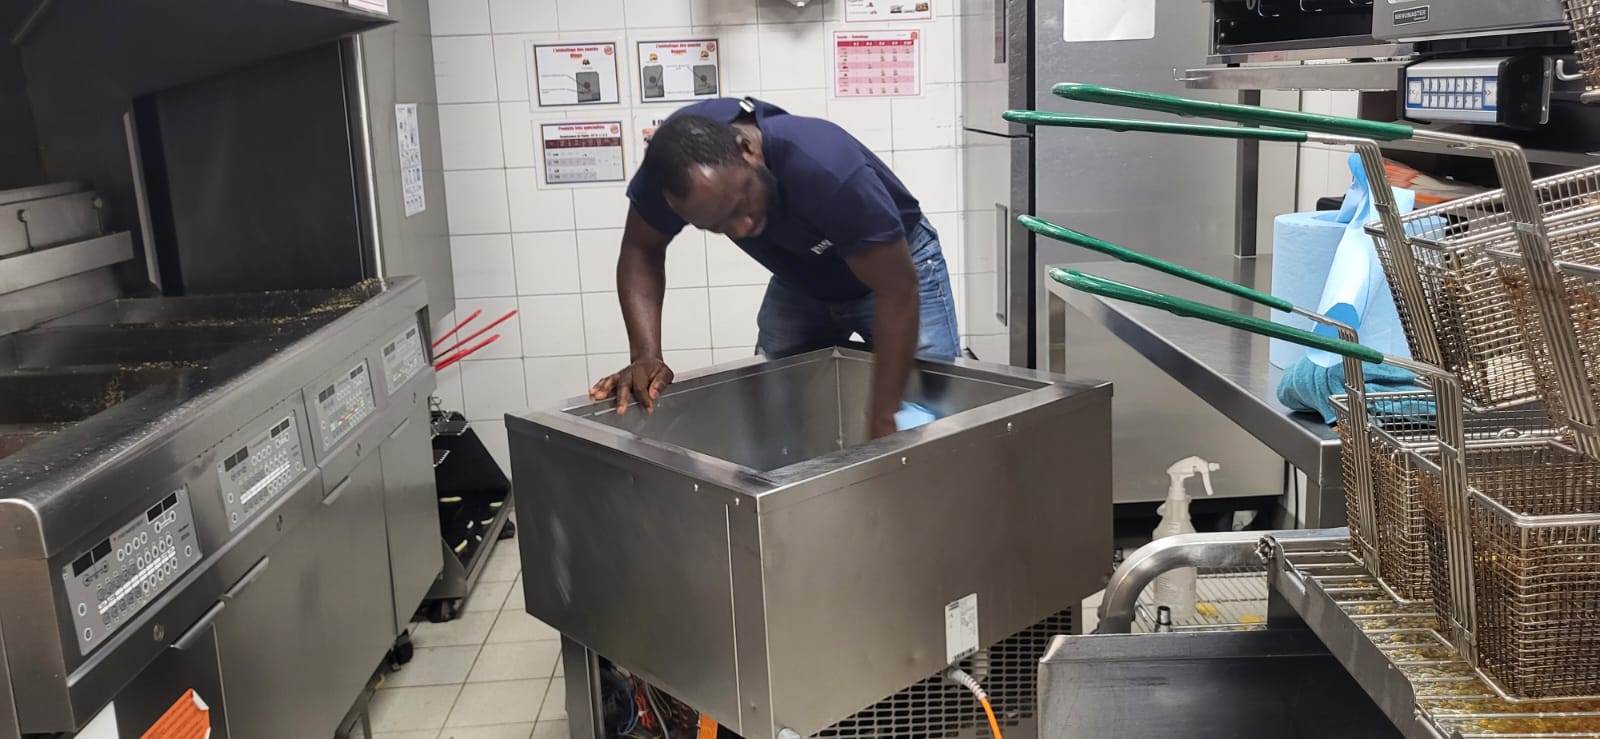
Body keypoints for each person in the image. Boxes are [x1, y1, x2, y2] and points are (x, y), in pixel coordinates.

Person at [588, 97, 960, 438]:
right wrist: (645, 354)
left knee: (928, 410)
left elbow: (896, 290)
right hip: (802, 276)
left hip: (897, 268)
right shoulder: (668, 174)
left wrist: (882, 416)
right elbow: (641, 250)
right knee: (773, 412)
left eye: (741, 205)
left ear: (747, 149)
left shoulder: (824, 165)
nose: (742, 229)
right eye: (718, 226)